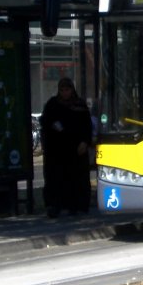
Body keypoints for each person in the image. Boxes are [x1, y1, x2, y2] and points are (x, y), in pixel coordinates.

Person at [40, 77, 93, 217]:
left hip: (76, 151)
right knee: (56, 179)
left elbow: (87, 126)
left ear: (72, 90)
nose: (65, 93)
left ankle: (76, 206)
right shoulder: (53, 105)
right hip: (57, 151)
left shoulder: (80, 105)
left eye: (67, 90)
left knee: (76, 178)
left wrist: (85, 141)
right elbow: (45, 123)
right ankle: (55, 206)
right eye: (62, 90)